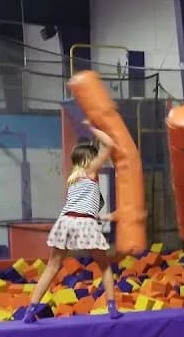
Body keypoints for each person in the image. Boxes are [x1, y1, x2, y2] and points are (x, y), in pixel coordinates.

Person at [23, 126, 120, 322]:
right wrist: (92, 127)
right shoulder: (91, 172)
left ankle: (30, 311)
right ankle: (112, 308)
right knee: (104, 266)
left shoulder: (72, 179)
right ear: (89, 161)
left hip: (65, 221)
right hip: (83, 223)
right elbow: (109, 144)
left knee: (52, 266)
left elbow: (84, 206)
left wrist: (104, 217)